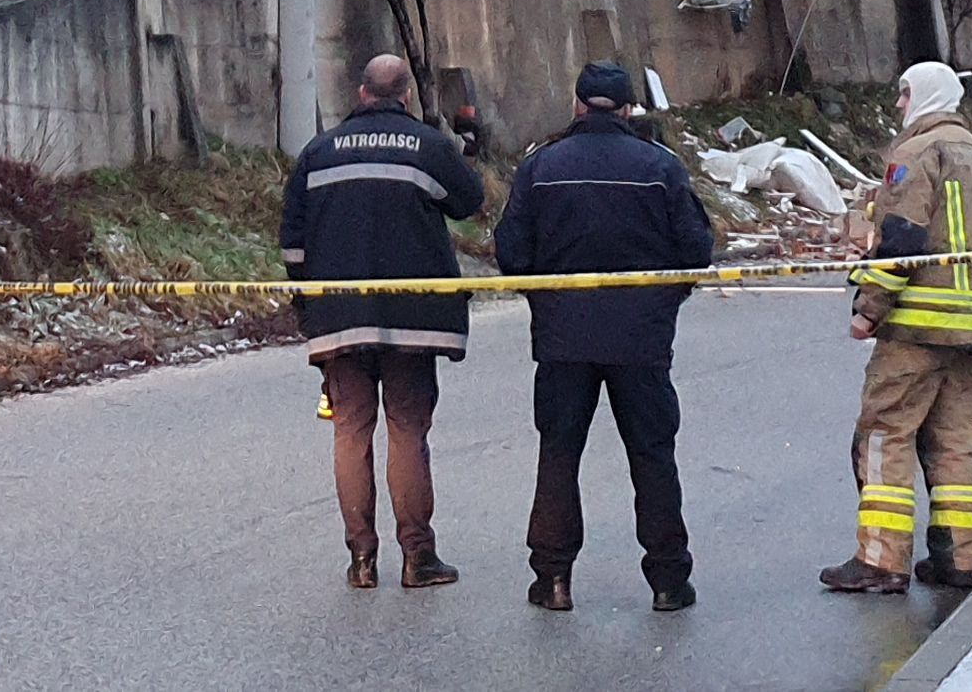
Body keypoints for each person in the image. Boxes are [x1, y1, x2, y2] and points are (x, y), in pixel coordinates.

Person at [492, 61, 717, 614]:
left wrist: (546, 302)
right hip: (641, 342)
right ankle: (668, 581)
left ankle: (553, 579)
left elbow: (512, 253)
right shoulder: (660, 166)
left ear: (575, 104)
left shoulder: (540, 166)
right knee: (652, 456)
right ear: (628, 110)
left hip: (563, 341)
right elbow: (695, 250)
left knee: (559, 455)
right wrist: (662, 303)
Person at [281, 52, 487, 589]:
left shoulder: (317, 153)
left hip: (338, 316)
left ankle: (362, 561)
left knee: (350, 432)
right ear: (408, 96)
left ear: (361, 93)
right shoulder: (427, 146)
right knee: (407, 431)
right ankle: (418, 558)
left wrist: (310, 307)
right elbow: (469, 202)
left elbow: (293, 245)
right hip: (412, 320)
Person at [820, 60, 972, 595]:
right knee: (954, 443)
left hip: (914, 329)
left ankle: (882, 560)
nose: (899, 106)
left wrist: (869, 308)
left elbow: (901, 240)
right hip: (970, 332)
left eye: (904, 95)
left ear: (924, 96)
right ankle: (957, 559)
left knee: (885, 435)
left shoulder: (915, 155)